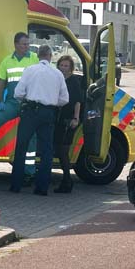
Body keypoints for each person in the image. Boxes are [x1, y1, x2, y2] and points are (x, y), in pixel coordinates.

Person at [0, 32, 40, 183]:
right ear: (16, 45)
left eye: (28, 44)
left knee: (31, 139)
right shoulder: (7, 61)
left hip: (29, 104)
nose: (27, 47)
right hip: (11, 103)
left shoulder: (34, 58)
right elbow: (0, 82)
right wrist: (0, 101)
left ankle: (29, 172)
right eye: (24, 44)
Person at [10, 44, 69, 195]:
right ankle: (42, 188)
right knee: (46, 150)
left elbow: (18, 93)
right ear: (50, 56)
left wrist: (27, 99)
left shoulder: (30, 70)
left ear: (38, 56)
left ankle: (16, 185)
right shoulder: (57, 74)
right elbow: (64, 99)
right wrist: (52, 102)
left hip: (30, 111)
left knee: (21, 147)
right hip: (48, 113)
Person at [53, 55, 82, 193]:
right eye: (61, 65)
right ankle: (66, 180)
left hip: (68, 121)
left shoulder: (73, 81)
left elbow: (77, 101)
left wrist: (76, 118)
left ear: (71, 68)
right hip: (58, 120)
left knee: (63, 151)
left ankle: (67, 181)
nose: (63, 68)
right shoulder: (56, 79)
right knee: (59, 150)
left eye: (66, 66)